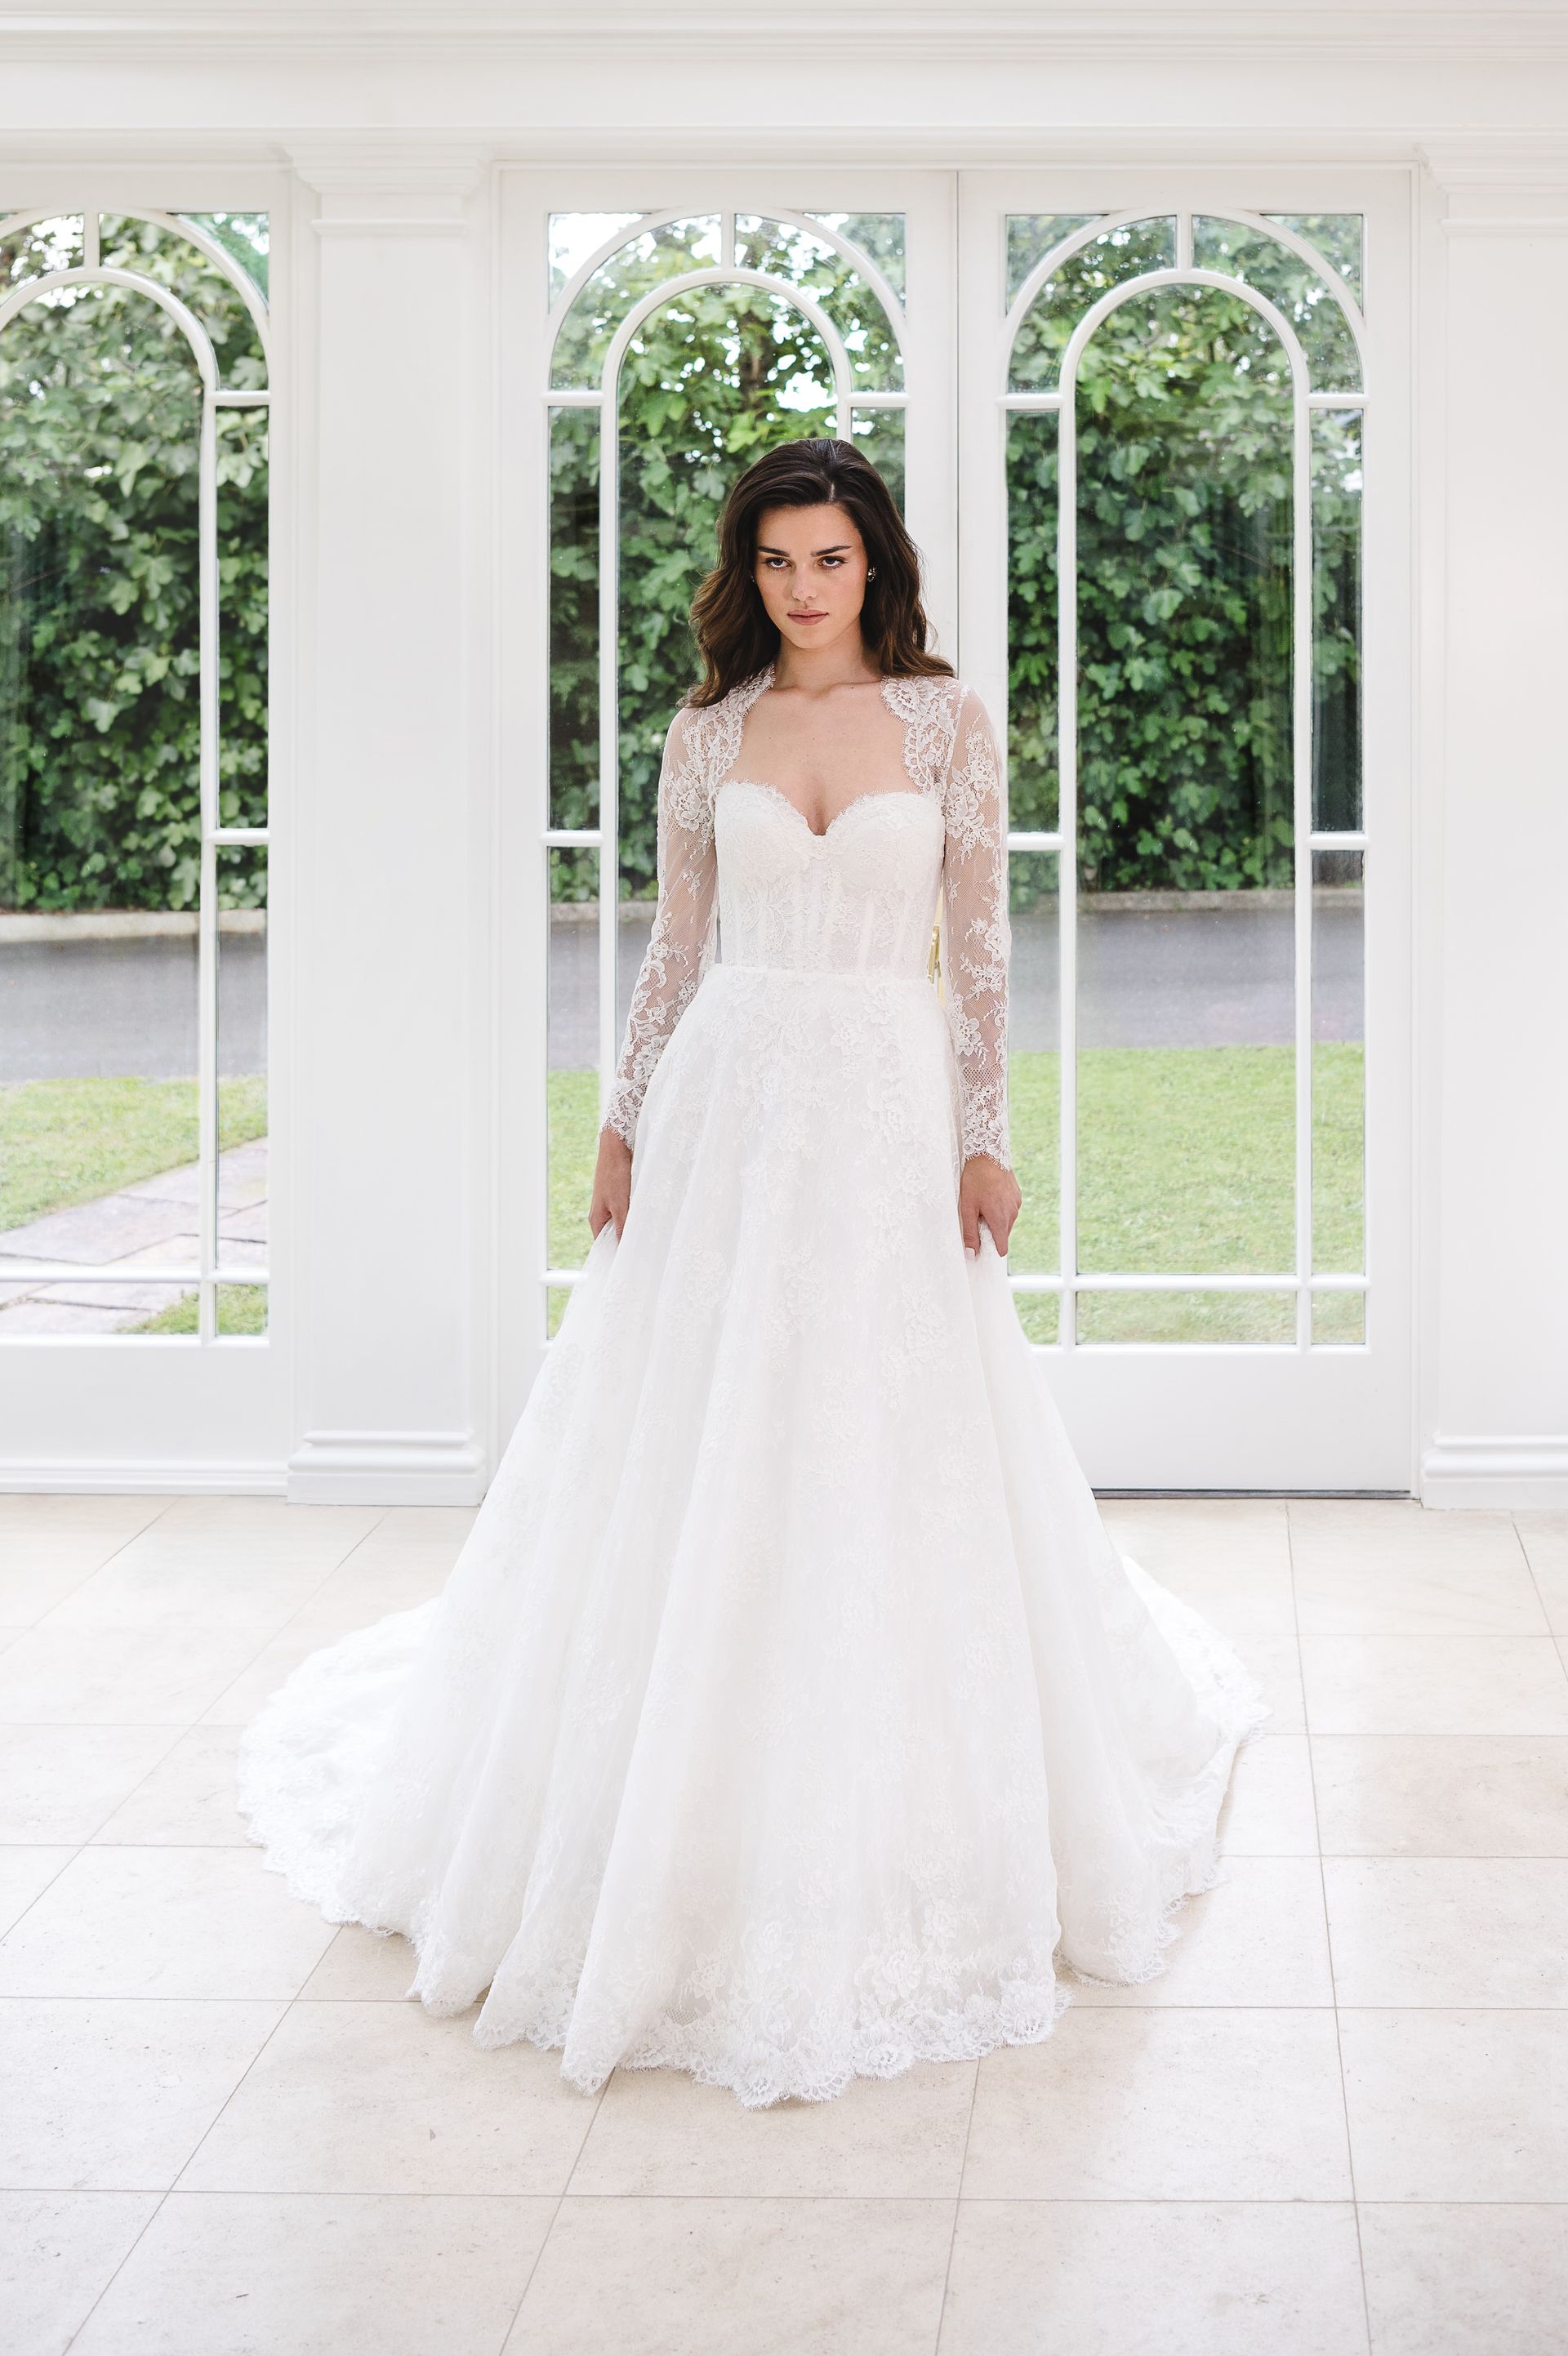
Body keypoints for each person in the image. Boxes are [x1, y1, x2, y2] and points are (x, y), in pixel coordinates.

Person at [238, 436, 1267, 2111]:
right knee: (701, 1419)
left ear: (877, 571)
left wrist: (984, 1135)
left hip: (882, 1099)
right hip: (729, 1093)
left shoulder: (941, 722)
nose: (804, 589)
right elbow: (672, 948)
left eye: (833, 561)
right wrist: (622, 1119)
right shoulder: (707, 732)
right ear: (750, 572)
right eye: (779, 561)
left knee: (882, 1423)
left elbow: (984, 950)